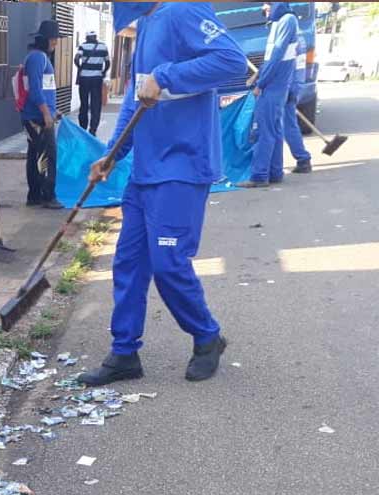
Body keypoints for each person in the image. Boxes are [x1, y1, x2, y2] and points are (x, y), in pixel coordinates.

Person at [79, 2, 246, 386]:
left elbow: (232, 61)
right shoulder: (147, 23)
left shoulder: (183, 10)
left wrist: (165, 75)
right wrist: (112, 154)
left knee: (169, 263)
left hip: (181, 168)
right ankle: (124, 353)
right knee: (129, 264)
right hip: (145, 170)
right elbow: (135, 101)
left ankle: (207, 337)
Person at [240, 2, 298, 188]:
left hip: (274, 86)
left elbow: (276, 57)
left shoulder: (286, 21)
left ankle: (259, 176)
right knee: (274, 130)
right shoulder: (280, 23)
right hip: (276, 85)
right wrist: (258, 75)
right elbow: (270, 58)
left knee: (263, 131)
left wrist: (261, 84)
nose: (264, 8)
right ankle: (275, 173)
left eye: (267, 4)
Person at [21, 21, 64, 210]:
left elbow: (44, 88)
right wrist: (47, 112)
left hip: (37, 114)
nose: (55, 43)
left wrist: (53, 110)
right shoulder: (38, 58)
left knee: (35, 154)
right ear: (45, 40)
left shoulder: (38, 57)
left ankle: (35, 195)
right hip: (38, 117)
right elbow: (36, 89)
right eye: (53, 39)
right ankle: (47, 196)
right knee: (47, 156)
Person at [283, 23, 312, 173]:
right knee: (289, 124)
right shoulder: (299, 37)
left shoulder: (290, 36)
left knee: (288, 125)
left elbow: (284, 64)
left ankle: (303, 158)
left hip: (290, 86)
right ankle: (303, 158)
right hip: (296, 83)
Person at [74, 30, 111, 135]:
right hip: (97, 79)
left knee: (84, 104)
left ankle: (83, 128)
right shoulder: (103, 47)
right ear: (95, 37)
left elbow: (76, 59)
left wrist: (80, 68)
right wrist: (103, 72)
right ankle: (93, 130)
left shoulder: (83, 46)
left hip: (84, 79)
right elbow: (108, 63)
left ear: (87, 38)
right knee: (96, 105)